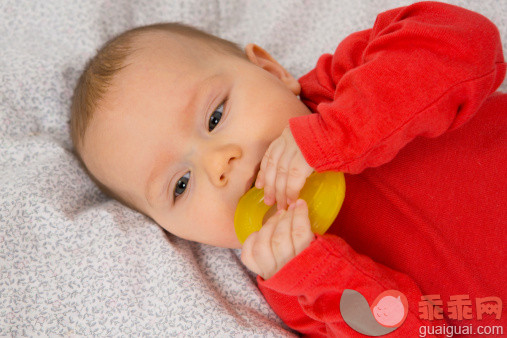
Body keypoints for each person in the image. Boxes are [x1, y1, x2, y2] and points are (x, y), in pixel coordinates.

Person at [70, 1, 506, 336]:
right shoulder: (296, 286)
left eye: (216, 117)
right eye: (181, 185)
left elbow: (468, 42)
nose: (218, 165)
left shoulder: (347, 83)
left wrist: (337, 132)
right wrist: (323, 276)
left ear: (270, 70)